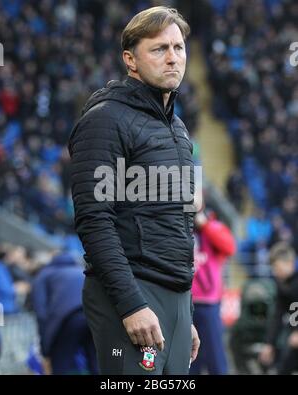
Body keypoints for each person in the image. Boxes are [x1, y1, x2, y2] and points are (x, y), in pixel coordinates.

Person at [68, 6, 200, 375]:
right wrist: (131, 305)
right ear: (131, 60)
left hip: (174, 297)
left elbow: (177, 223)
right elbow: (94, 221)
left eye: (179, 47)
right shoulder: (105, 120)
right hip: (131, 293)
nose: (173, 57)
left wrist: (183, 313)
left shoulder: (178, 128)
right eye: (159, 49)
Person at [31, 252, 98, 375]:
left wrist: (45, 351)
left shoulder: (44, 275)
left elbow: (41, 314)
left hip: (69, 319)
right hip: (95, 316)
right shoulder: (81, 270)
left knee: (60, 365)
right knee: (97, 364)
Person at [190, 210, 236, 375]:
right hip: (185, 302)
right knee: (189, 357)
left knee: (215, 356)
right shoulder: (181, 227)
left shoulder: (213, 226)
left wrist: (206, 225)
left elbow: (230, 247)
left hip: (209, 303)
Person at [259, 242, 298, 374]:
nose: (275, 272)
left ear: (289, 263)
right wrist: (269, 344)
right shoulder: (283, 285)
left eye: (277, 267)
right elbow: (278, 315)